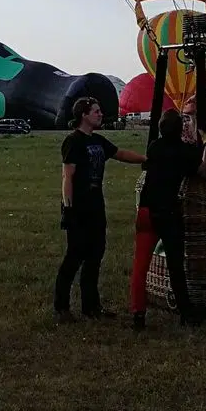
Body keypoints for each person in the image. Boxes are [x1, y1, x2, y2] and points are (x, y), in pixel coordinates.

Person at [54, 96, 146, 323]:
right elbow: (68, 176)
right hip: (79, 208)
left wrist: (146, 159)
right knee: (74, 257)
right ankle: (62, 307)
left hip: (96, 206)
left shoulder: (97, 141)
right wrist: (68, 208)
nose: (100, 114)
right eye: (96, 111)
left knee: (95, 256)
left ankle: (91, 306)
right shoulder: (73, 141)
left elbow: (120, 154)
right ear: (84, 115)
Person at [128, 108, 206, 329]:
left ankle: (138, 314)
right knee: (176, 265)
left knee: (140, 266)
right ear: (180, 129)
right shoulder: (183, 151)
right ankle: (186, 313)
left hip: (147, 211)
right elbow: (204, 170)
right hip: (168, 213)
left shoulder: (154, 147)